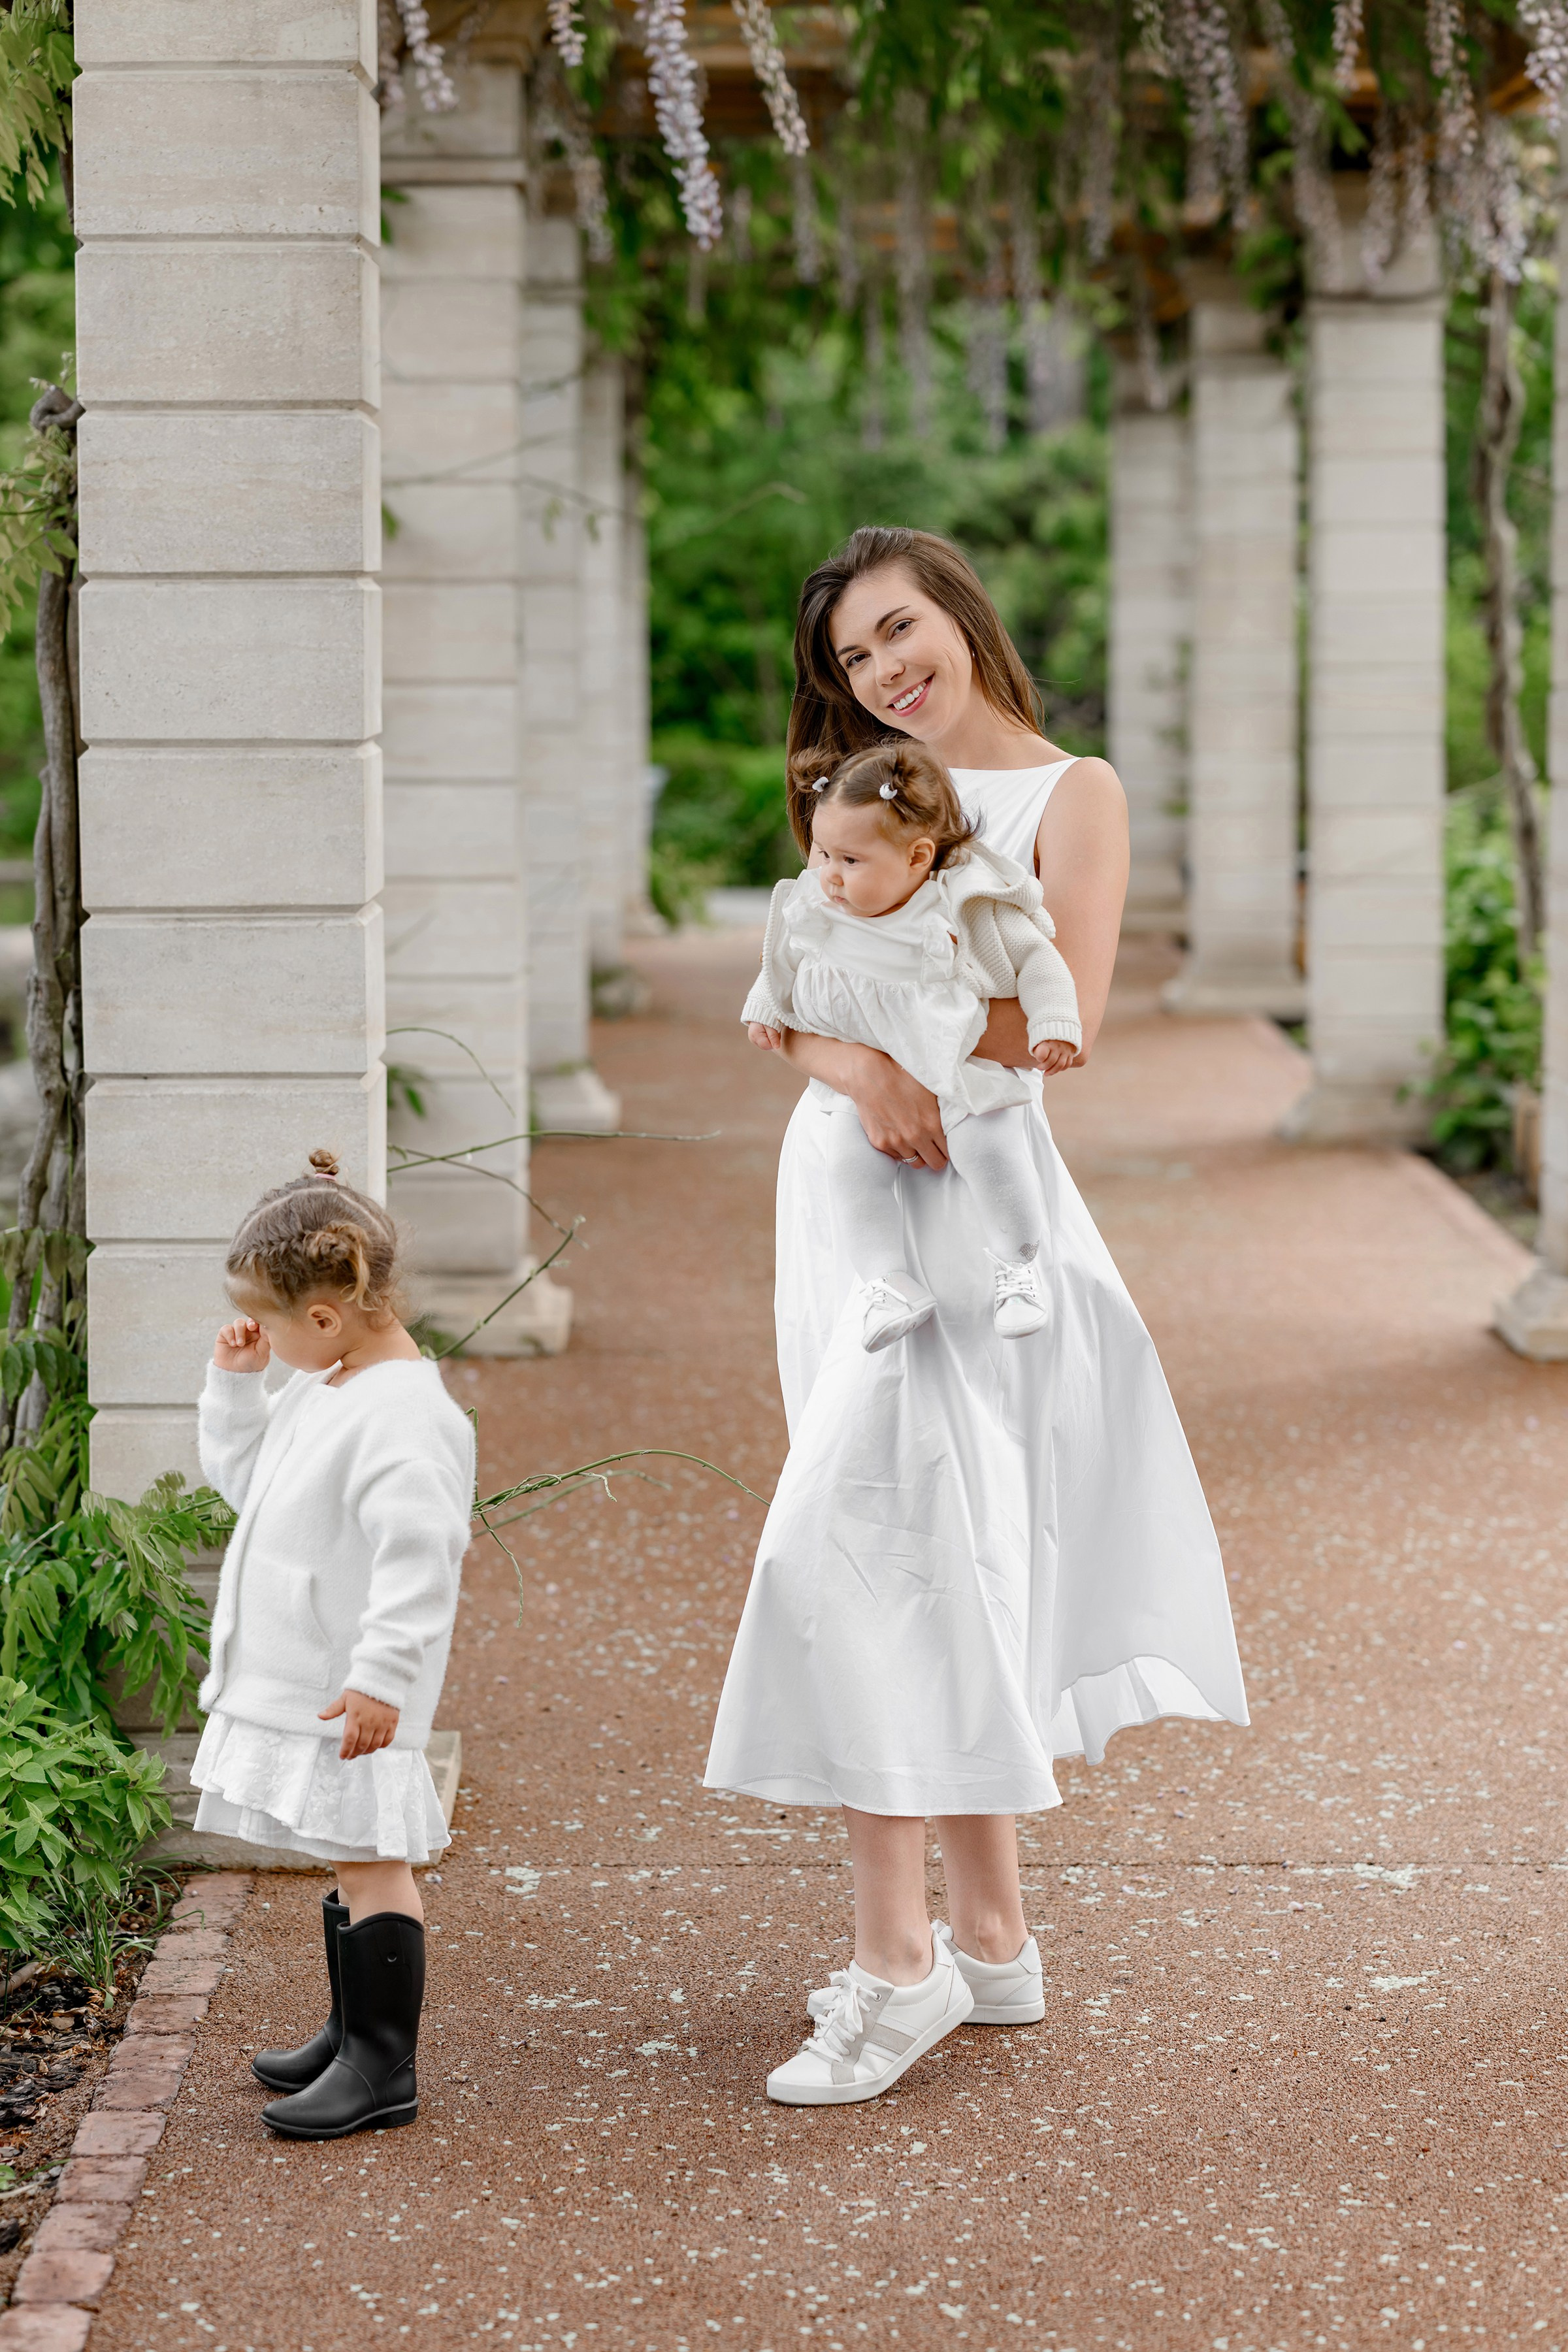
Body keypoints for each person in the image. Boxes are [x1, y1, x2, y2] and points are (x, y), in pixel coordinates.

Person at [704, 526, 1248, 2108]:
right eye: (853, 662)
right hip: (841, 1193)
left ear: (955, 609)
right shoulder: (852, 801)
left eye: (895, 630)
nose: (883, 673)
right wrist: (860, 1064)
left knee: (867, 1551)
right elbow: (788, 1004)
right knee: (915, 1550)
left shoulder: (1064, 796)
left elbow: (1046, 1016)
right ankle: (991, 1935)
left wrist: (893, 1038)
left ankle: (898, 1966)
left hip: (968, 1226)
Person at [190, 1149, 476, 2141]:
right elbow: (253, 1491)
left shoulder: (403, 1417)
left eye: (268, 1324)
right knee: (343, 1856)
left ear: (323, 1316)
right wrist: (236, 1389)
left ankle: (381, 2068)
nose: (261, 1341)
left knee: (369, 1860)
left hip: (350, 1693)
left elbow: (420, 1560)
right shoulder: (330, 1381)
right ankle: (349, 2029)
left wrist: (382, 1682)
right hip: (316, 1684)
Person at [743, 736, 1082, 1350]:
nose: (828, 875)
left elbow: (1040, 959)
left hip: (958, 1068)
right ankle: (886, 1281)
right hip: (859, 1089)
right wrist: (765, 1007)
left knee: (990, 1141)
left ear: (918, 857)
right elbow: (785, 961)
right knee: (848, 1161)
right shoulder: (823, 906)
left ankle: (1018, 1264)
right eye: (822, 852)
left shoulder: (964, 904)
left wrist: (1054, 1021)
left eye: (850, 860)